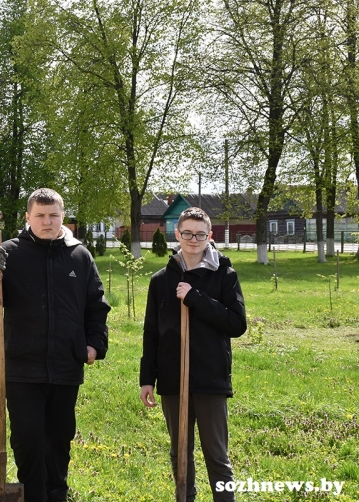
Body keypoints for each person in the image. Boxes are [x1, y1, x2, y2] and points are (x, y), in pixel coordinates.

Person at [0, 188, 110, 502]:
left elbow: (96, 305)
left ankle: (57, 495)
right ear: (28, 217)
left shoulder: (80, 255)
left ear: (62, 216)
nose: (47, 221)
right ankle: (33, 495)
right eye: (40, 216)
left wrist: (94, 345)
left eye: (53, 215)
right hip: (22, 367)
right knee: (28, 440)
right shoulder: (9, 253)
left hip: (66, 366)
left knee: (59, 440)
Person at [139, 207, 246, 502]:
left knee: (217, 455)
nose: (193, 239)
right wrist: (147, 377)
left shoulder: (224, 274)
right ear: (178, 234)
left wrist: (196, 298)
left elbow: (237, 324)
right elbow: (151, 332)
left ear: (209, 236)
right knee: (180, 452)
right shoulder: (161, 280)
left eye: (200, 234)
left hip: (210, 377)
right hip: (173, 378)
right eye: (187, 233)